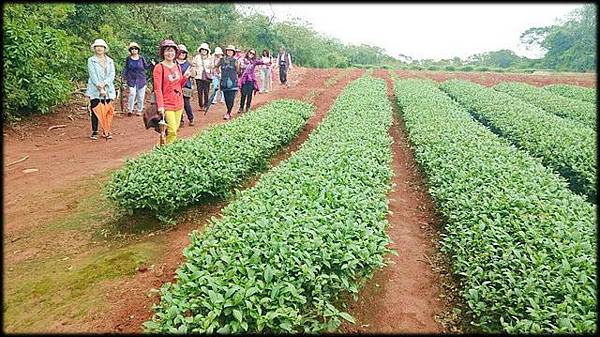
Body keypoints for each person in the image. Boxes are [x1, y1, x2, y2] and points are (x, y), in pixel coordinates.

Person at [153, 39, 193, 144]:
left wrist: (185, 77)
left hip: (179, 102)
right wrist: (160, 106)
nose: (170, 53)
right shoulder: (159, 67)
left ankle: (162, 149)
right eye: (167, 51)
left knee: (173, 130)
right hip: (167, 103)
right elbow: (157, 89)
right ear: (163, 53)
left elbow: (179, 85)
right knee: (172, 131)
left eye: (172, 51)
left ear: (175, 53)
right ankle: (162, 151)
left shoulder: (177, 66)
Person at [86, 38, 116, 140]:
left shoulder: (110, 61)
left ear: (104, 48)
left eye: (101, 47)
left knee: (107, 110)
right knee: (95, 109)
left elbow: (112, 74)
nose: (99, 48)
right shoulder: (91, 60)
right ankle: (95, 131)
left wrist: (105, 84)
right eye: (97, 46)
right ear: (94, 48)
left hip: (108, 89)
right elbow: (93, 75)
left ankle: (106, 130)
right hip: (95, 89)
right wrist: (99, 86)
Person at [122, 42, 152, 117]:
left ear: (138, 50)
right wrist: (123, 76)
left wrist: (152, 64)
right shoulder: (128, 59)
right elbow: (126, 68)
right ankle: (130, 109)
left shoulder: (141, 58)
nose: (134, 50)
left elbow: (146, 67)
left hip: (141, 79)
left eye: (135, 48)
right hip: (131, 79)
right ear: (130, 50)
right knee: (132, 93)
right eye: (132, 49)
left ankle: (139, 110)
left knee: (141, 97)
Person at [238, 48, 270, 113]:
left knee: (249, 94)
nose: (251, 54)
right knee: (243, 94)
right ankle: (241, 107)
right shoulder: (243, 60)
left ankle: (248, 107)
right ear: (248, 53)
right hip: (244, 79)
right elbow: (239, 68)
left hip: (251, 80)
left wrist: (267, 63)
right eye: (250, 53)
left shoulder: (254, 61)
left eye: (253, 54)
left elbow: (261, 62)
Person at [214, 45, 240, 120]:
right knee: (226, 98)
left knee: (231, 98)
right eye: (228, 50)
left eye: (231, 51)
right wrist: (218, 74)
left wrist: (237, 67)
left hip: (233, 81)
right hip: (224, 81)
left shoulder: (235, 61)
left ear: (233, 52)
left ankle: (228, 112)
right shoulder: (222, 60)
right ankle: (229, 110)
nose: (229, 52)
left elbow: (238, 71)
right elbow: (216, 66)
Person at [176, 44, 195, 127]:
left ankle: (191, 118)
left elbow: (193, 75)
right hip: (175, 87)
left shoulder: (188, 64)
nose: (182, 54)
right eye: (180, 52)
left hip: (186, 86)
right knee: (178, 104)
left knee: (186, 104)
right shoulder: (173, 63)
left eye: (184, 53)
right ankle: (180, 120)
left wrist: (192, 71)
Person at [192, 42, 213, 111]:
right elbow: (193, 65)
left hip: (207, 77)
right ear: (200, 50)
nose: (204, 51)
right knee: (199, 92)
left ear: (207, 51)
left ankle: (206, 105)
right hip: (199, 77)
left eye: (205, 50)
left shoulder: (210, 58)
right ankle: (201, 105)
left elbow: (213, 67)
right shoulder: (197, 57)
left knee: (206, 92)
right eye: (202, 49)